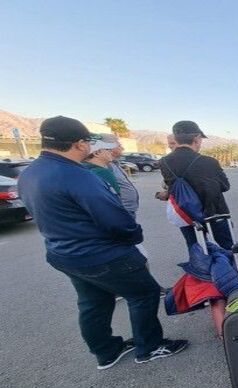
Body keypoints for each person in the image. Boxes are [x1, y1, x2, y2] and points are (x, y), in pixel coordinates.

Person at [18, 116, 188, 369]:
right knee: (144, 293)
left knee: (93, 302)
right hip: (103, 255)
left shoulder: (29, 173)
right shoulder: (77, 175)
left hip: (64, 254)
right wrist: (133, 236)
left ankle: (106, 351)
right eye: (87, 142)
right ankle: (149, 347)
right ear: (79, 144)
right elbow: (114, 219)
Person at [159, 120, 232, 250]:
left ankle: (202, 269)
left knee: (195, 248)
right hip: (214, 213)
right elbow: (225, 186)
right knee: (227, 249)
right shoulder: (209, 162)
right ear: (197, 138)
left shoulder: (164, 162)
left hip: (185, 213)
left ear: (176, 138)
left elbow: (170, 185)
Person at [101, 134, 140, 218]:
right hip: (121, 211)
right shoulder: (105, 166)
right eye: (119, 145)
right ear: (109, 147)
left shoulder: (114, 163)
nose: (122, 148)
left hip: (128, 210)